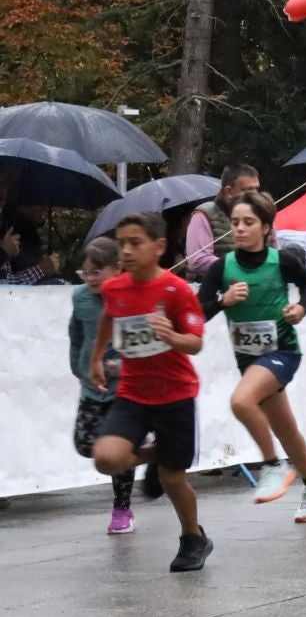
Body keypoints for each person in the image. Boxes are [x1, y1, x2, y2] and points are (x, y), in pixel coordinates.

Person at [195, 190, 306, 520]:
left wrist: (301, 308)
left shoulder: (281, 261)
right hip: (249, 359)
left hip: (282, 352)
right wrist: (223, 301)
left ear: (266, 228)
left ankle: (273, 465)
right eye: (235, 223)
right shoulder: (222, 268)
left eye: (248, 222)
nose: (240, 229)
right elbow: (196, 314)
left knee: (241, 402)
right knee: (286, 429)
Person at [89, 213, 211, 572]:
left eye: (135, 243)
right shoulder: (114, 288)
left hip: (175, 393)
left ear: (159, 247)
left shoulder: (177, 290)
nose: (125, 251)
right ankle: (160, 454)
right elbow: (108, 317)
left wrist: (172, 336)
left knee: (173, 478)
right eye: (121, 244)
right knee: (105, 458)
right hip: (134, 393)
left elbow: (196, 343)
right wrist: (96, 358)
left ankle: (193, 538)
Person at [69, 237, 136, 533]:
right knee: (84, 443)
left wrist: (120, 366)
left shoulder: (129, 296)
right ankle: (133, 450)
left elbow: (140, 340)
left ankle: (122, 508)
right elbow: (76, 334)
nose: (90, 278)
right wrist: (78, 366)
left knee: (116, 450)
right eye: (85, 272)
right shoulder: (80, 297)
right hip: (90, 385)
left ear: (117, 268)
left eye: (97, 272)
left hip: (123, 387)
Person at [184, 163, 260, 278]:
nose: (255, 195)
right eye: (248, 190)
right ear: (229, 191)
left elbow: (275, 254)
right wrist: (241, 267)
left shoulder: (263, 215)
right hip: (215, 287)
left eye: (256, 189)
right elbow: (198, 260)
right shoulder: (204, 214)